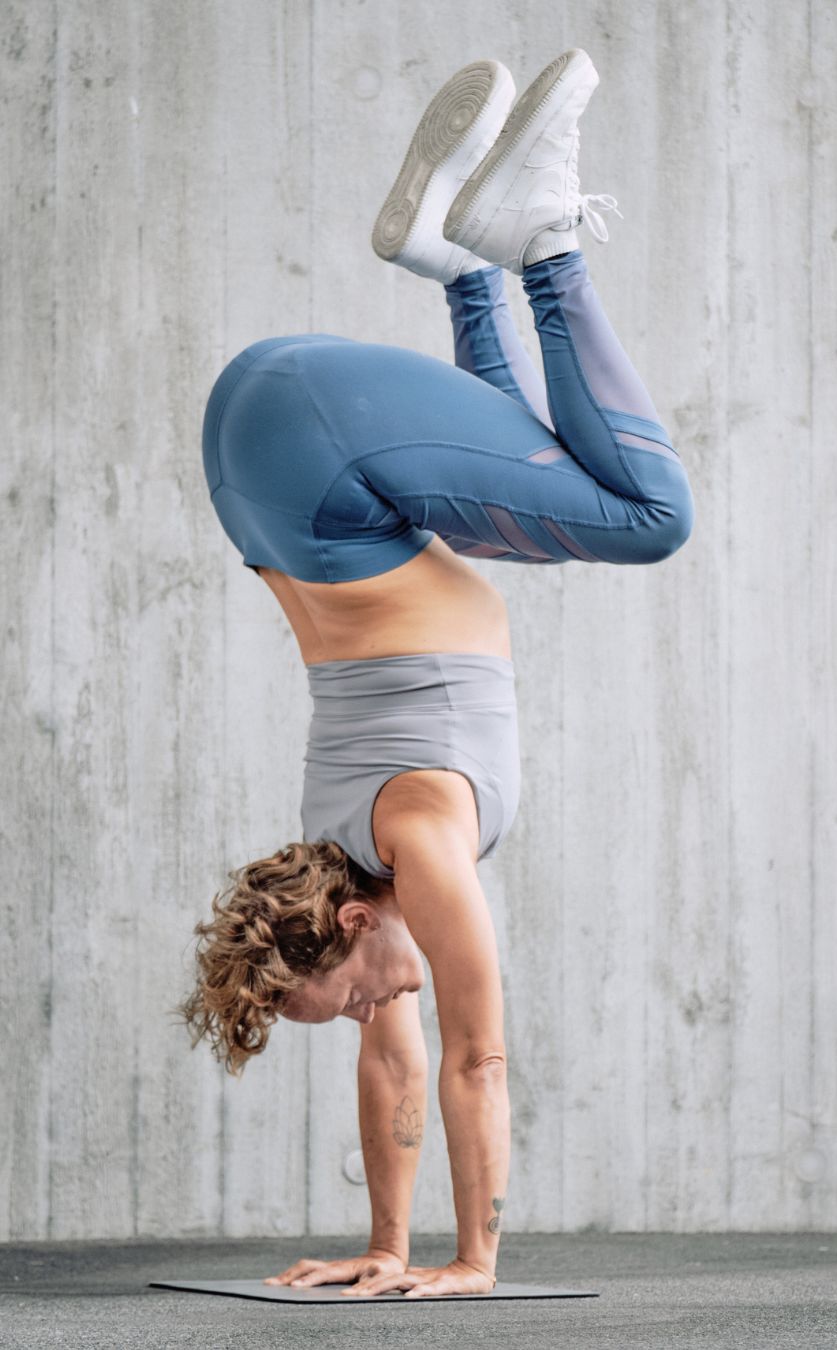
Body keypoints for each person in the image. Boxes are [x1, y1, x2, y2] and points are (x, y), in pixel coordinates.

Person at [179, 47, 695, 1299]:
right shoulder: (341, 865)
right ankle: (462, 266)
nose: (368, 1017)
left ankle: (543, 246)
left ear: (352, 927)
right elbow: (399, 1067)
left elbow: (475, 1060)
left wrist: (472, 1262)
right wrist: (383, 1248)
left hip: (316, 452)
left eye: (344, 998)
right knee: (514, 501)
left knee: (651, 516)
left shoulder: (419, 844)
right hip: (274, 469)